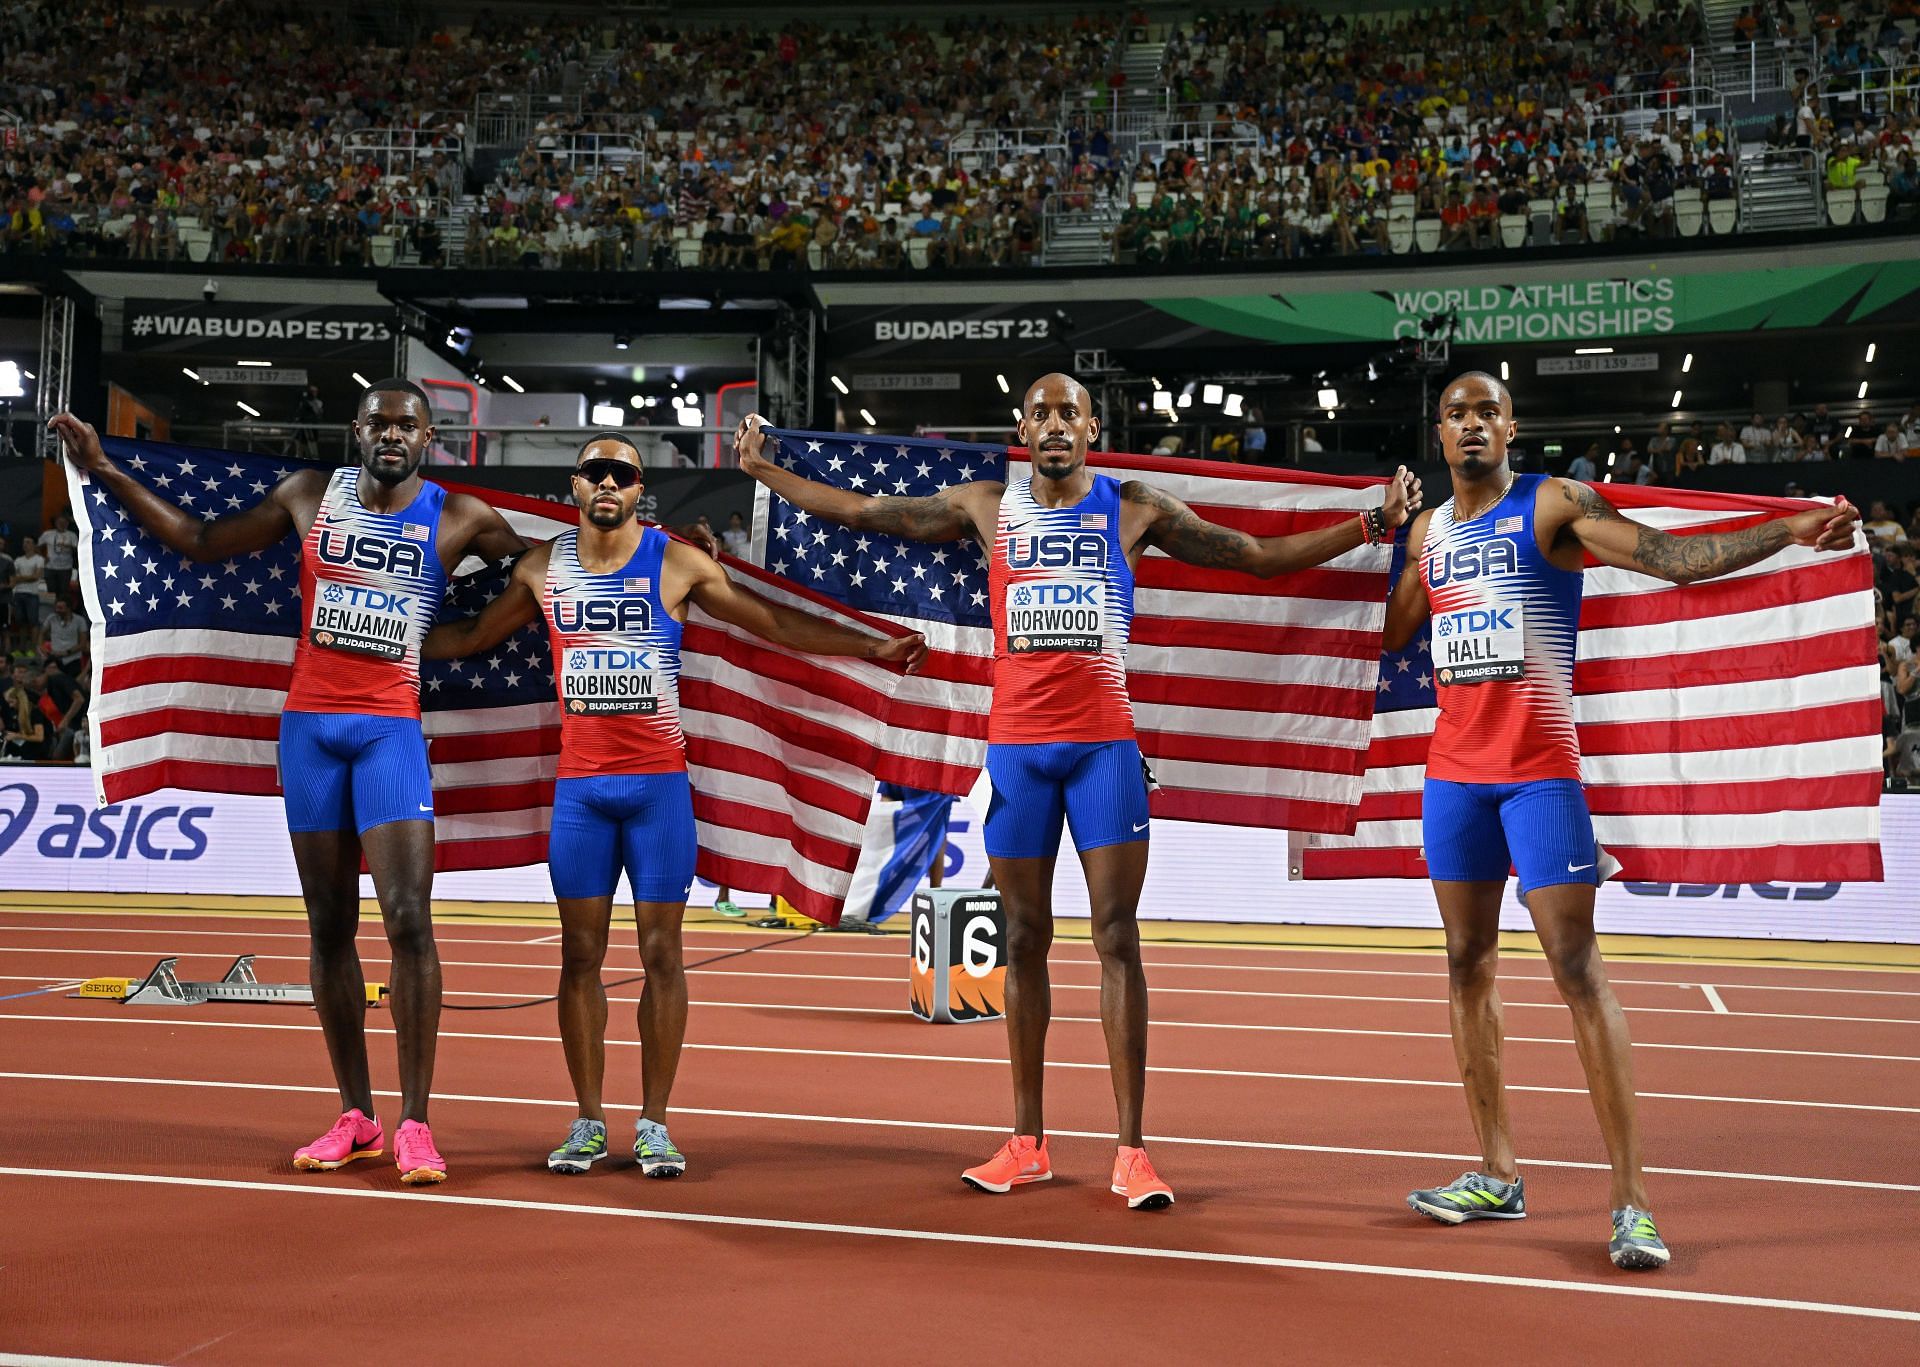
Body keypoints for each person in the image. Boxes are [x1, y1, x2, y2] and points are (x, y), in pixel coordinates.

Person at [735, 375, 1420, 1209]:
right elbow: (867, 515)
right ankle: (1027, 1141)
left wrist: (1372, 523)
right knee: (1022, 938)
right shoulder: (988, 504)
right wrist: (767, 473)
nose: (1055, 424)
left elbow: (1255, 556)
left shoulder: (1135, 509)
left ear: (1093, 426)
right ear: (1020, 427)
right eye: (1041, 412)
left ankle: (1132, 1149)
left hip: (1104, 753)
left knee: (1115, 938)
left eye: (1070, 412)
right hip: (1019, 755)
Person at [1382, 371, 1858, 1271]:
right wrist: (1387, 536)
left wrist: (1789, 527)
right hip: (1453, 777)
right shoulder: (1430, 532)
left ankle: (1632, 1201)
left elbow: (1673, 560)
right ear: (1437, 435)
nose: (1473, 424)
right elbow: (1398, 629)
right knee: (1464, 962)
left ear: (1512, 426)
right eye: (1457, 414)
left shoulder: (1554, 505)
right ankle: (1496, 1172)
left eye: (1488, 411)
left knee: (1575, 965)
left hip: (1538, 775)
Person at [49, 380, 529, 1186]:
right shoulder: (311, 494)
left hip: (389, 735)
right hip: (309, 732)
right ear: (356, 428)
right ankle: (356, 1114)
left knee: (409, 921)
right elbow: (201, 540)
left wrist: (640, 553)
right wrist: (102, 470)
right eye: (378, 420)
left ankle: (416, 1121)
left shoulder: (461, 517)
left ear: (430, 436)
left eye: (407, 424)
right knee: (328, 924)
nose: (391, 434)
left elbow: (544, 574)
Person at [424, 434, 926, 1179]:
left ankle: (654, 1122)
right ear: (575, 485)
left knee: (663, 954)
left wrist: (867, 646)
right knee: (580, 958)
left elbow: (773, 624)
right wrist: (363, 634)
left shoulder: (676, 562)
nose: (607, 482)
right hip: (583, 798)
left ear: (636, 490)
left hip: (658, 792)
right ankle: (589, 1119)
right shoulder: (542, 567)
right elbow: (470, 638)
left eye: (621, 472)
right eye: (595, 470)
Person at [3, 660, 46, 760]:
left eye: (12, 702)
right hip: (23, 748)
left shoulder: (35, 712)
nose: (10, 705)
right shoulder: (17, 713)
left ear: (20, 700)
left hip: (37, 750)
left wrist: (17, 736)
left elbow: (39, 737)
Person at [10, 536, 46, 639]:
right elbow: (13, 577)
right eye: (24, 542)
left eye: (28, 542)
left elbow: (36, 577)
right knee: (21, 622)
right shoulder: (18, 560)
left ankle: (33, 649)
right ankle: (22, 649)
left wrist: (20, 577)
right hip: (18, 593)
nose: (25, 544)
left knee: (33, 622)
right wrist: (28, 577)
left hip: (32, 594)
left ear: (34, 545)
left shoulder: (39, 559)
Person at [40, 597, 86, 675]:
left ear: (69, 608)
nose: (57, 610)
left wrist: (66, 652)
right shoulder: (51, 618)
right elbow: (41, 633)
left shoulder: (80, 620)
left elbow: (83, 643)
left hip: (73, 659)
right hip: (54, 659)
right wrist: (42, 648)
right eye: (56, 608)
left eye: (60, 608)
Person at [37, 513, 78, 600]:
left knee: (63, 592)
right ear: (56, 523)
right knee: (51, 591)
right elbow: (37, 547)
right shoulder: (48, 534)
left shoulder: (72, 535)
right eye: (59, 522)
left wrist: (68, 547)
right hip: (50, 567)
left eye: (64, 522)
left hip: (65, 568)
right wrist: (42, 558)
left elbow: (77, 550)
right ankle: (52, 611)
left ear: (67, 523)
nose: (61, 524)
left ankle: (62, 608)